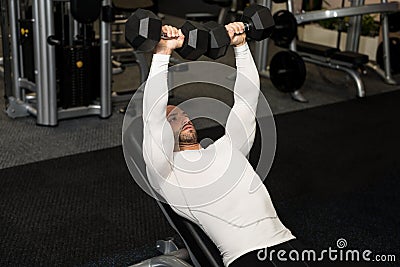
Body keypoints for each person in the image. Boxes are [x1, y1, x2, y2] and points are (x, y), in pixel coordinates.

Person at [142, 23, 308, 267]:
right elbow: (154, 117)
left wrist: (241, 46)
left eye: (184, 114)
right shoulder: (167, 172)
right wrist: (163, 53)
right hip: (246, 258)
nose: (184, 119)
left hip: (289, 245)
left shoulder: (228, 147)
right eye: (173, 119)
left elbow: (246, 101)